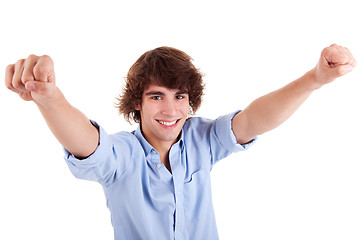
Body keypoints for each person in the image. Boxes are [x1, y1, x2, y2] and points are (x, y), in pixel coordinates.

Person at [5, 45, 356, 240]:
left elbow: (253, 119)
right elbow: (88, 142)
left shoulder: (202, 139)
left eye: (180, 96)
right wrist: (49, 98)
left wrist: (315, 79)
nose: (171, 109)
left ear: (190, 102)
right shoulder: (123, 155)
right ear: (138, 103)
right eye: (156, 97)